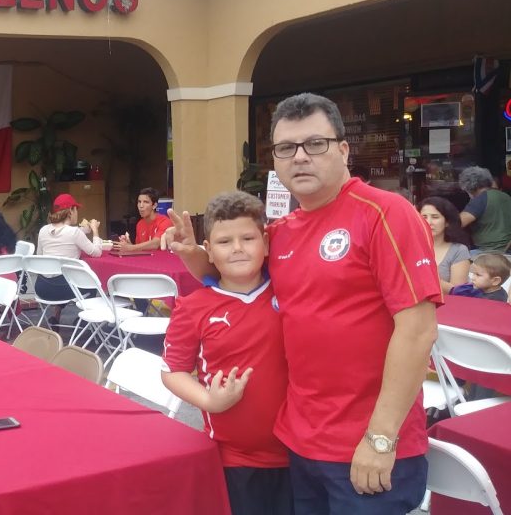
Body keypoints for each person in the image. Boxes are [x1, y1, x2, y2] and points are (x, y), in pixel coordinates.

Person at [164, 92, 440, 514]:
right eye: (286, 148)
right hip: (299, 443)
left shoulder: (385, 212)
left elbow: (418, 330)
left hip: (366, 446)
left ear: (343, 149)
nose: (300, 158)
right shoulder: (282, 231)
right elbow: (237, 267)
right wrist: (192, 253)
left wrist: (381, 437)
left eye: (315, 144)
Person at [161, 191, 291, 515]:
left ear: (265, 241)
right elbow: (172, 370)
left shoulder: (289, 291)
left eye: (247, 238)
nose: (237, 248)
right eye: (224, 242)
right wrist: (208, 400)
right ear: (209, 250)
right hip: (236, 460)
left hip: (301, 454)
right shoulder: (193, 307)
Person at [35, 193, 103, 325]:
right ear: (71, 211)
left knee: (65, 277)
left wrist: (84, 230)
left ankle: (56, 316)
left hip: (42, 288)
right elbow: (96, 252)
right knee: (90, 284)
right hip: (63, 289)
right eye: (76, 209)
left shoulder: (43, 230)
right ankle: (85, 319)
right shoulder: (74, 233)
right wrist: (95, 230)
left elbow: (39, 256)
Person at [418, 196, 471, 293]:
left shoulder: (458, 250)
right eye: (424, 217)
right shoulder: (410, 248)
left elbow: (458, 292)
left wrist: (425, 274)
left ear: (447, 222)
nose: (428, 222)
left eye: (435, 217)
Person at [458, 166, 511, 255]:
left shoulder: (480, 199)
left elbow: (458, 223)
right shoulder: (505, 196)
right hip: (507, 248)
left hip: (488, 251)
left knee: (457, 257)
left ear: (469, 186)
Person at [114, 187, 171, 252]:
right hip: (146, 260)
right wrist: (128, 244)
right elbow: (140, 249)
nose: (141, 206)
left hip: (162, 260)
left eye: (146, 202)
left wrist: (130, 247)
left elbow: (155, 244)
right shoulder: (140, 224)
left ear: (154, 205)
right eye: (139, 202)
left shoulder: (165, 221)